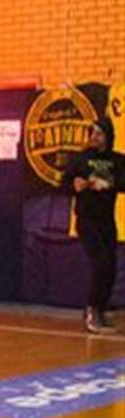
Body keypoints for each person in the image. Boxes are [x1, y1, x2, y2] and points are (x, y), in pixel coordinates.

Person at [64, 117, 122, 333]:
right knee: (100, 265)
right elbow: (64, 184)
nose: (94, 137)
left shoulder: (117, 160)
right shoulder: (79, 159)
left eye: (99, 133)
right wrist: (75, 185)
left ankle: (101, 309)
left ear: (108, 136)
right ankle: (92, 311)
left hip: (106, 221)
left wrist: (108, 183)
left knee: (111, 268)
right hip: (86, 221)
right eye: (92, 133)